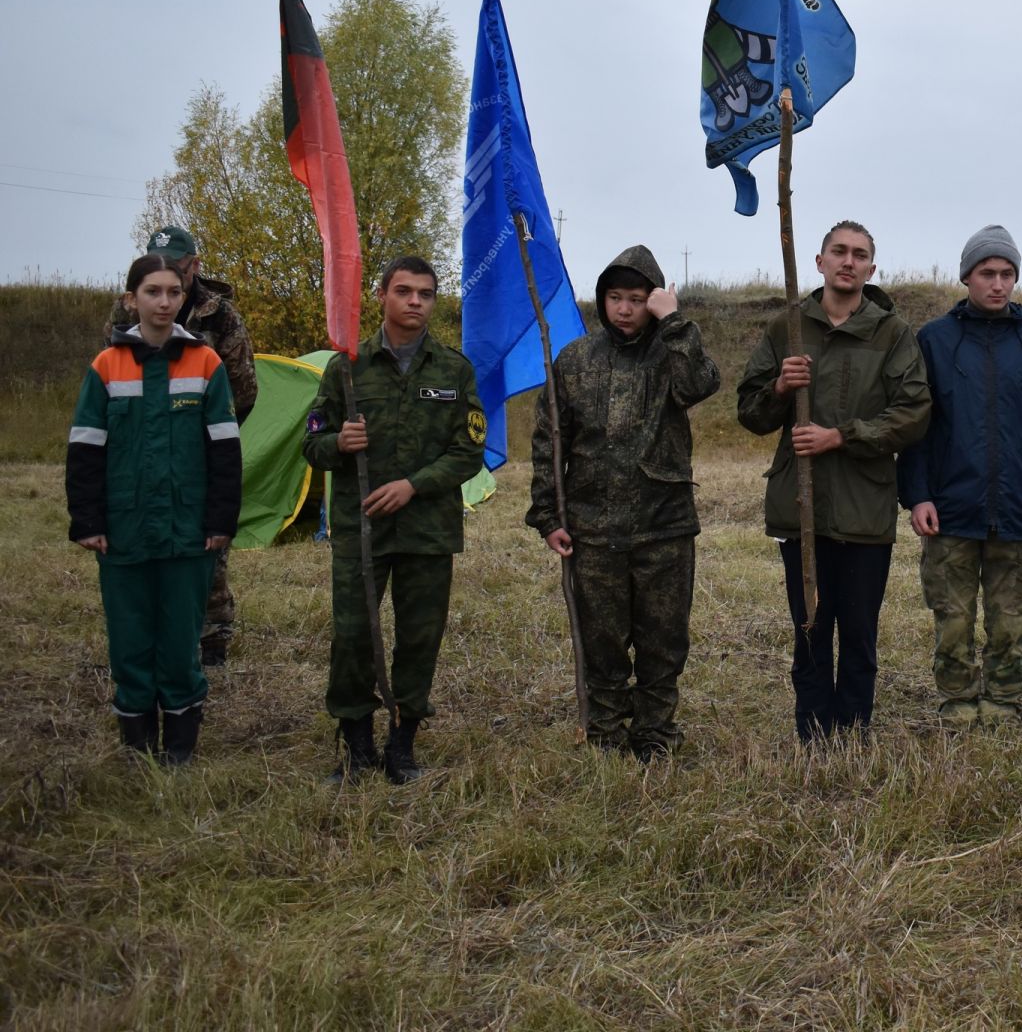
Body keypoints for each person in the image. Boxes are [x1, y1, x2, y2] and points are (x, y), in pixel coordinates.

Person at [736, 221, 931, 742]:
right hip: (802, 510)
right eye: (838, 252)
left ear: (871, 268)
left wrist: (841, 437)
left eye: (860, 254)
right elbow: (750, 414)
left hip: (865, 511)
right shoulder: (788, 329)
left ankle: (854, 732)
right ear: (819, 262)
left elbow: (914, 414)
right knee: (810, 631)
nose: (849, 261)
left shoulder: (892, 333)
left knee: (860, 635)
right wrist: (779, 387)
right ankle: (814, 734)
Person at [528, 246, 720, 759]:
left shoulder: (673, 354)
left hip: (665, 529)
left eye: (638, 299)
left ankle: (655, 733)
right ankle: (607, 732)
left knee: (662, 642)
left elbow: (700, 384)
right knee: (603, 642)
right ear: (603, 300)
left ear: (653, 302)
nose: (625, 309)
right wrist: (548, 516)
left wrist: (675, 322)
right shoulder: (574, 360)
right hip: (594, 532)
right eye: (616, 298)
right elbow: (550, 440)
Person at [302, 256, 485, 783]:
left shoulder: (454, 370)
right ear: (381, 296)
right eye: (403, 291)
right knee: (354, 634)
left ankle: (402, 745)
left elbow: (468, 450)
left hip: (428, 530)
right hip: (362, 531)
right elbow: (311, 445)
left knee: (420, 637)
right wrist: (337, 442)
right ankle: (356, 746)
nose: (415, 302)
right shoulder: (346, 368)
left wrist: (414, 485)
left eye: (425, 294)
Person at [68, 253, 242, 765]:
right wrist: (89, 519)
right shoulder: (106, 367)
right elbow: (84, 448)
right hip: (123, 531)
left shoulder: (206, 364)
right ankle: (139, 749)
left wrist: (219, 521)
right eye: (152, 292)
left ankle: (180, 751)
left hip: (187, 533)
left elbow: (225, 452)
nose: (164, 302)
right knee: (129, 641)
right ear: (131, 300)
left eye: (172, 292)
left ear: (183, 298)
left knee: (180, 642)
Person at [896, 226, 1022, 727]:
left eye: (1007, 273)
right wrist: (918, 495)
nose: (998, 283)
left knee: (1011, 617)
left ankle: (1003, 699)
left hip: (1018, 509)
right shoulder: (934, 339)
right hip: (950, 509)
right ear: (966, 276)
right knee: (952, 618)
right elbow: (916, 426)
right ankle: (956, 700)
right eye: (987, 273)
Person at [107, 226, 257, 669]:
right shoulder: (124, 312)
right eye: (161, 264)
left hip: (202, 451)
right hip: (141, 450)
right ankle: (149, 637)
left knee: (209, 547)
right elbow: (109, 375)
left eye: (178, 264)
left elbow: (244, 389)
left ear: (195, 264)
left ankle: (212, 640)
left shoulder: (219, 316)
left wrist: (210, 434)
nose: (169, 276)